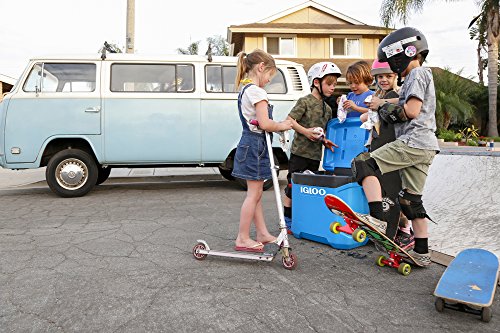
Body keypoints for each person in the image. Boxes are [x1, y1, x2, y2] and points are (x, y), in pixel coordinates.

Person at [351, 27, 439, 266]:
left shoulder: (416, 75)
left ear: (404, 54)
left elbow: (410, 111)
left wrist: (380, 106)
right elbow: (402, 101)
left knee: (363, 164)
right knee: (411, 201)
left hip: (412, 143)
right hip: (427, 146)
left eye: (391, 60)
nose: (391, 65)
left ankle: (377, 219)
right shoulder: (421, 75)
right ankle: (422, 252)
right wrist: (380, 102)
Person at [231, 49, 293, 253]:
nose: (268, 81)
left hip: (249, 143)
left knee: (255, 193)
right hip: (256, 145)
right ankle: (242, 237)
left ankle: (262, 232)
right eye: (269, 76)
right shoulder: (257, 92)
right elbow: (265, 123)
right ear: (261, 68)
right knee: (254, 194)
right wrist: (283, 125)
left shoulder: (245, 89)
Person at [283, 62, 340, 232]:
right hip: (300, 153)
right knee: (293, 186)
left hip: (315, 156)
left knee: (309, 189)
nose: (332, 88)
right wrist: (306, 132)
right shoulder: (305, 102)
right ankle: (287, 218)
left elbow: (320, 131)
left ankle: (303, 217)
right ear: (316, 82)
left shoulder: (328, 109)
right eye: (329, 84)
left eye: (335, 85)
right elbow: (290, 120)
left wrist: (325, 140)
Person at [363, 59, 413, 249]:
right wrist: (371, 108)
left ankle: (406, 231)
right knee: (385, 194)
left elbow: (403, 102)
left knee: (396, 194)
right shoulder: (377, 96)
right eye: (380, 76)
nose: (384, 79)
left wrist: (380, 103)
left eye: (388, 76)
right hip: (378, 148)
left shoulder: (397, 95)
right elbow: (364, 116)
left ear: (396, 77)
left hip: (393, 149)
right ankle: (388, 228)